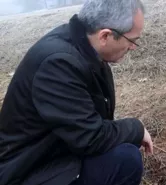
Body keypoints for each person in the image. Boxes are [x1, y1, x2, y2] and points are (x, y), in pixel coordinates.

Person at [0, 0, 153, 185]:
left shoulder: (85, 49)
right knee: (125, 160)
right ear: (105, 36)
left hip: (54, 154)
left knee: (122, 149)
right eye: (132, 40)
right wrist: (136, 128)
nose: (133, 47)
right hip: (27, 170)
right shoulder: (58, 64)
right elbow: (90, 138)